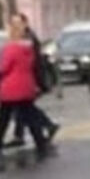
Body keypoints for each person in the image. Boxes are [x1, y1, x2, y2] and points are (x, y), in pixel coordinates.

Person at [0, 16, 51, 157]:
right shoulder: (28, 48)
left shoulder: (10, 48)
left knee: (3, 117)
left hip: (10, 88)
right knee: (29, 115)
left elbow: (2, 68)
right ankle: (40, 141)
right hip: (26, 86)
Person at [9, 13, 60, 148]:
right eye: (13, 23)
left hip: (30, 78)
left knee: (24, 107)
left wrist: (37, 82)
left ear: (25, 24)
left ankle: (47, 126)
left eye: (17, 23)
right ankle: (21, 135)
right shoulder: (22, 38)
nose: (14, 26)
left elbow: (32, 62)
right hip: (27, 78)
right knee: (23, 107)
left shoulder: (28, 39)